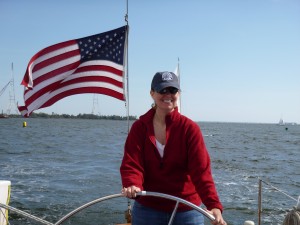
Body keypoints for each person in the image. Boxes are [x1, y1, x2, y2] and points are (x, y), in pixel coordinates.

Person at [120, 71, 226, 225]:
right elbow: (132, 163)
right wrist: (132, 183)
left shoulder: (190, 129)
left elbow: (201, 172)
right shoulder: (139, 128)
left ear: (179, 93)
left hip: (186, 209)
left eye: (173, 90)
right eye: (162, 90)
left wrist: (214, 205)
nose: (167, 94)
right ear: (152, 94)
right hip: (148, 208)